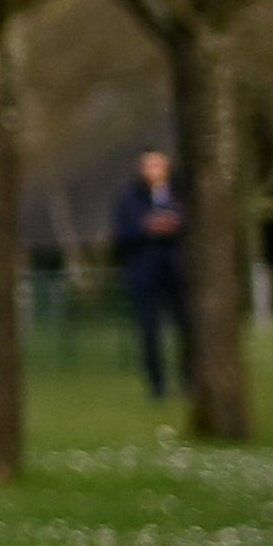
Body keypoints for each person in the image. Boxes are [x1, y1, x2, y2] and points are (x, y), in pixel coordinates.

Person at [112, 147, 188, 400]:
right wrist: (147, 228)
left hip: (177, 269)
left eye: (159, 165)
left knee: (186, 325)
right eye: (149, 165)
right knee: (149, 329)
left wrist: (175, 226)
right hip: (145, 272)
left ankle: (189, 380)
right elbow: (121, 235)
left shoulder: (181, 195)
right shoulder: (130, 199)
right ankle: (157, 384)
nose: (154, 171)